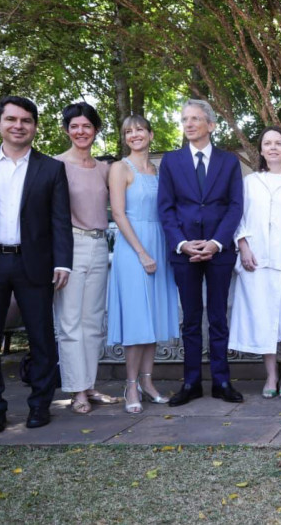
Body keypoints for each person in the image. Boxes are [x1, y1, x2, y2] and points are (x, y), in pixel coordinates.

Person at [0, 96, 73, 434]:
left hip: (33, 263)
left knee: (41, 339)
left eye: (26, 120)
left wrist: (63, 263)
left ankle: (40, 405)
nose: (18, 126)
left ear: (35, 127)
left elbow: (60, 221)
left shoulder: (51, 168)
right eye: (11, 119)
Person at [158, 99, 244, 406]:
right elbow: (165, 208)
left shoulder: (229, 161)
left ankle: (222, 381)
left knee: (219, 317)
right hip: (185, 253)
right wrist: (182, 243)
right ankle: (191, 382)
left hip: (219, 252)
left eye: (195, 119)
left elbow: (235, 206)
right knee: (191, 320)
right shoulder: (170, 161)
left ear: (211, 124)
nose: (189, 124)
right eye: (185, 119)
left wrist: (217, 242)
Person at [229, 126, 281, 399]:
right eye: (268, 143)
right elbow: (238, 218)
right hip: (257, 262)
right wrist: (243, 246)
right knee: (265, 321)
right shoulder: (250, 182)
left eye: (279, 143)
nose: (273, 147)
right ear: (261, 150)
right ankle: (271, 375)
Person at [107, 115, 179, 414]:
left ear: (151, 135)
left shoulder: (158, 171)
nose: (134, 135)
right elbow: (119, 215)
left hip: (159, 244)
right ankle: (131, 385)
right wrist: (141, 253)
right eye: (128, 131)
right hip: (134, 247)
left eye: (139, 130)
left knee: (154, 321)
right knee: (137, 320)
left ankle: (149, 383)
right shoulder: (120, 168)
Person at [53, 102, 119, 414]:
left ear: (95, 130)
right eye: (75, 126)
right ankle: (76, 390)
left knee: (93, 321)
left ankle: (90, 385)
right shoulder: (54, 165)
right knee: (70, 322)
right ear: (66, 130)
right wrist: (56, 259)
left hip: (99, 244)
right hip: (69, 247)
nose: (81, 131)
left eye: (87, 126)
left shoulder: (105, 169)